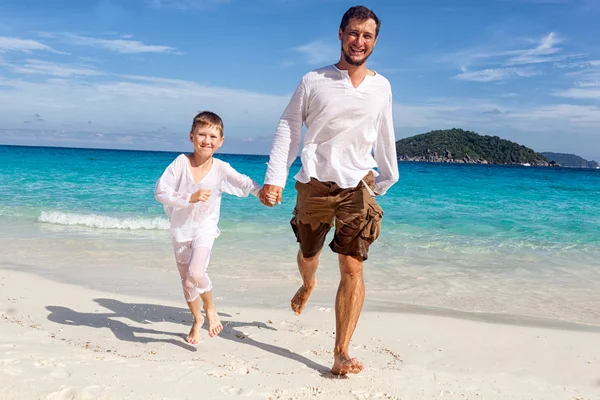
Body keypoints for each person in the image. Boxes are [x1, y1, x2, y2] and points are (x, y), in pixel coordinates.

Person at [258, 5, 399, 375]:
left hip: (357, 186)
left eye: (367, 35)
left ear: (375, 41)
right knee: (308, 253)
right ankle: (308, 283)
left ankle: (341, 352)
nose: (359, 41)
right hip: (315, 184)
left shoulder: (381, 86)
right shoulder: (313, 80)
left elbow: (385, 133)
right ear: (340, 34)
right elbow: (289, 126)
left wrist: (385, 178)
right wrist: (275, 176)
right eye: (353, 33)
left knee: (353, 266)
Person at [155, 111, 268, 344]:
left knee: (196, 273)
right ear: (191, 136)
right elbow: (160, 192)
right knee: (187, 282)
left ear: (221, 141)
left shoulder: (221, 168)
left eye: (213, 136)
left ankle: (211, 308)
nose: (207, 140)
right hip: (180, 230)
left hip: (205, 229)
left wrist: (263, 192)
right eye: (202, 134)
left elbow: (244, 182)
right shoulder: (180, 163)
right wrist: (189, 197)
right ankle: (197, 319)